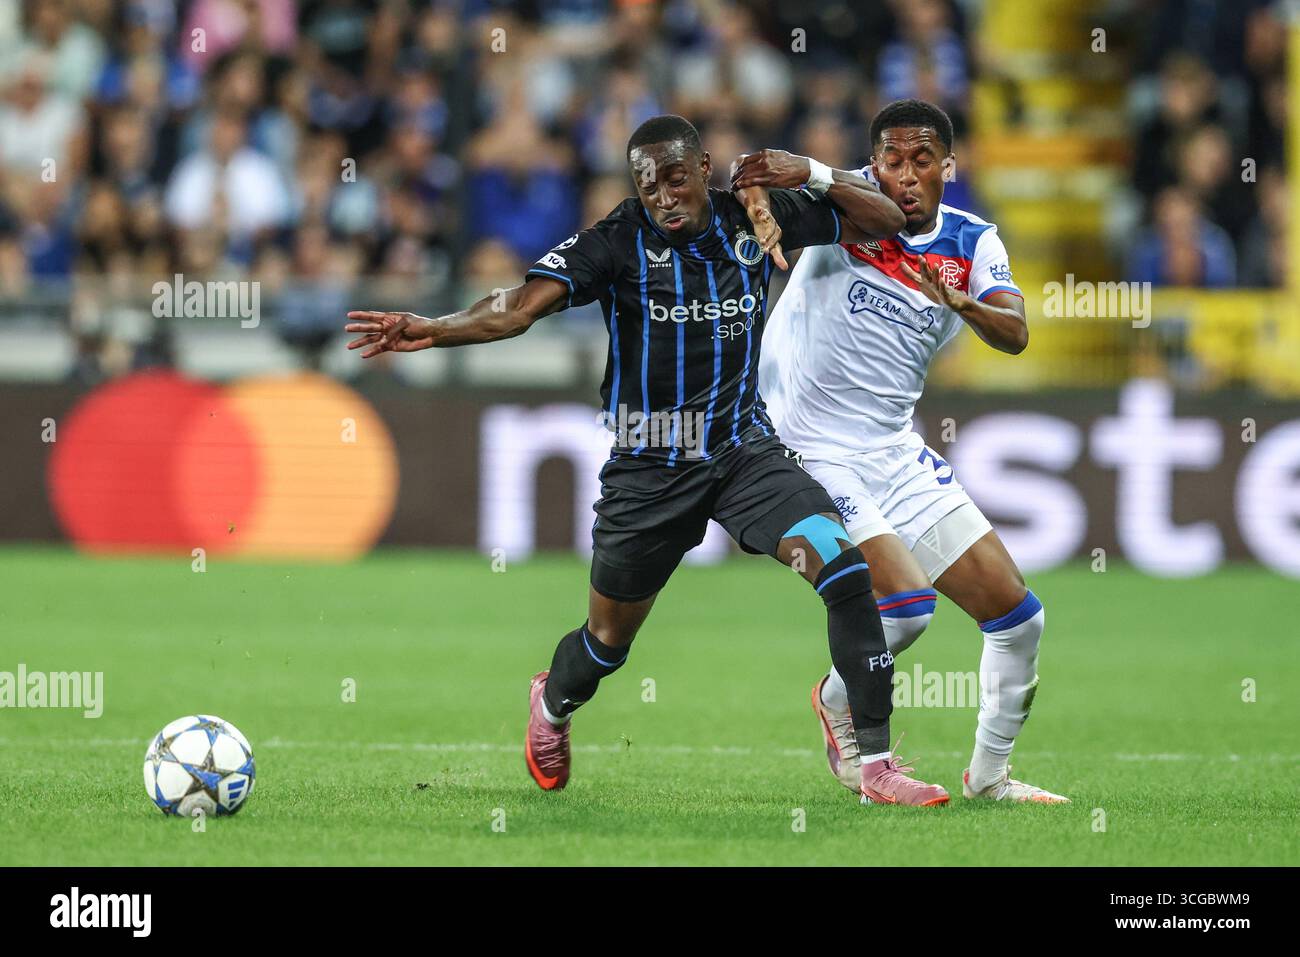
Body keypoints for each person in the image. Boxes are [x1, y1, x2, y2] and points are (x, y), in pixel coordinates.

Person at [344, 113, 950, 806]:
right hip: (649, 469)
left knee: (843, 569)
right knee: (606, 642)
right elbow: (516, 308)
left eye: (673, 177)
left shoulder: (755, 216)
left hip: (741, 453)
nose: (662, 194)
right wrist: (433, 327)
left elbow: (885, 221)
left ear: (701, 170)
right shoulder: (617, 240)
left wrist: (812, 172)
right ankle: (554, 703)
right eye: (647, 183)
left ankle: (874, 765)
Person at [751, 99, 1069, 803]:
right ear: (872, 165)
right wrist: (782, 189)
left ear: (948, 168)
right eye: (890, 160)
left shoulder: (973, 240)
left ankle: (989, 777)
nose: (905, 174)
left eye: (921, 160)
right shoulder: (846, 210)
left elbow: (1015, 333)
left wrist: (962, 304)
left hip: (893, 450)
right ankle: (840, 702)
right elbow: (771, 200)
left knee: (1019, 618)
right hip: (809, 445)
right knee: (907, 605)